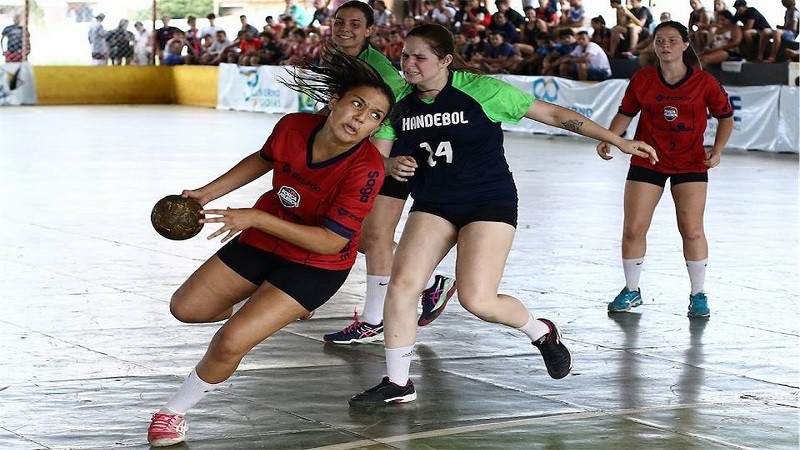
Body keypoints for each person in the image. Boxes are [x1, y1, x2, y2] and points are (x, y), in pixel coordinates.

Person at [348, 23, 659, 406]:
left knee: (478, 300)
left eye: (419, 57)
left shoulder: (482, 90)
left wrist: (618, 140)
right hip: (434, 202)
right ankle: (398, 384)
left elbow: (555, 115)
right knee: (402, 285)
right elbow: (378, 152)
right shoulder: (400, 101)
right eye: (405, 56)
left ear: (445, 60)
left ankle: (541, 331)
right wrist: (391, 162)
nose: (409, 64)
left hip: (487, 201)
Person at [145, 48, 396, 447]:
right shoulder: (293, 126)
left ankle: (172, 413)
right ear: (334, 102)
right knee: (186, 309)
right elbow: (262, 159)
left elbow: (333, 241)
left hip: (316, 264)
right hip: (263, 240)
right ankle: (266, 302)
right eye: (357, 104)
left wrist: (257, 217)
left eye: (374, 116)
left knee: (231, 340)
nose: (361, 118)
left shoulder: (366, 170)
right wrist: (205, 194)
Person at [321, 0, 457, 345]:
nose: (344, 28)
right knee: (368, 239)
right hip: (369, 151)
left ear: (369, 31)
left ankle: (374, 319)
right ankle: (430, 285)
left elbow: (388, 117)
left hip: (395, 151)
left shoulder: (377, 70)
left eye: (354, 23)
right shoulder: (337, 58)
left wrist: (380, 159)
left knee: (376, 236)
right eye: (339, 22)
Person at [597, 21, 734, 318]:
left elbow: (726, 117)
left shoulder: (704, 82)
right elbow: (626, 112)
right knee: (633, 228)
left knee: (692, 230)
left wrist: (718, 149)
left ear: (685, 45)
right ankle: (632, 290)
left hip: (690, 162)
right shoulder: (642, 79)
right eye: (660, 41)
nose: (666, 46)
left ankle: (698, 294)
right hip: (649, 159)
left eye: (672, 40)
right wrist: (610, 139)